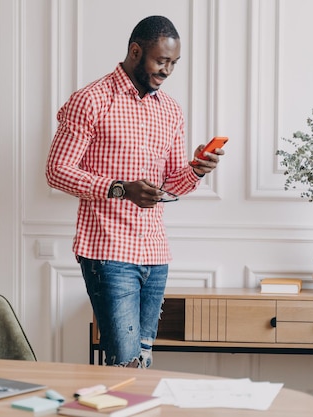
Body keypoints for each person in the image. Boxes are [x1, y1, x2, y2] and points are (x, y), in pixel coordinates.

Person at [45, 15, 224, 367]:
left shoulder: (171, 110)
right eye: (161, 60)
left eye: (174, 63)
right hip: (108, 253)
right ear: (135, 51)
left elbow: (171, 183)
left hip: (155, 254)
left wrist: (196, 170)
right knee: (124, 362)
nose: (168, 70)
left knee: (142, 360)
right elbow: (56, 171)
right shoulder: (91, 100)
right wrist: (120, 189)